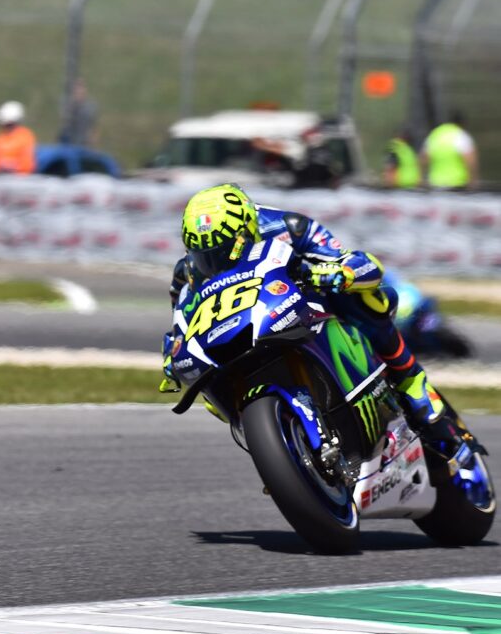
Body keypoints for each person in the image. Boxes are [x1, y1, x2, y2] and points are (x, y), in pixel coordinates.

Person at [160, 183, 483, 461]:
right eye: (206, 254)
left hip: (302, 304)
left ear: (248, 227)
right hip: (245, 324)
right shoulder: (186, 270)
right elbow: (181, 318)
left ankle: (409, 379)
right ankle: (285, 449)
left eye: (225, 249)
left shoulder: (289, 226)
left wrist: (338, 272)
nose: (214, 261)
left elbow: (360, 263)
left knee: (365, 298)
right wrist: (172, 350)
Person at [420, 111, 477, 190]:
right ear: (463, 123)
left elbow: (424, 159)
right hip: (457, 184)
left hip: (436, 184)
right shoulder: (461, 135)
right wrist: (472, 180)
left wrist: (421, 179)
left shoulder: (435, 134)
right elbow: (470, 160)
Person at [0, 101, 36, 175]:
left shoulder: (25, 136)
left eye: (9, 124)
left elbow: (28, 165)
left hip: (19, 181)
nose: (5, 127)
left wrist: (13, 166)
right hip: (0, 179)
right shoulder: (0, 137)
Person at [57, 78, 97, 146]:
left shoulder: (90, 106)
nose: (80, 92)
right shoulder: (66, 104)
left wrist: (92, 138)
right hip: (68, 140)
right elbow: (65, 119)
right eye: (77, 90)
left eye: (82, 88)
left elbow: (93, 126)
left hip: (84, 142)